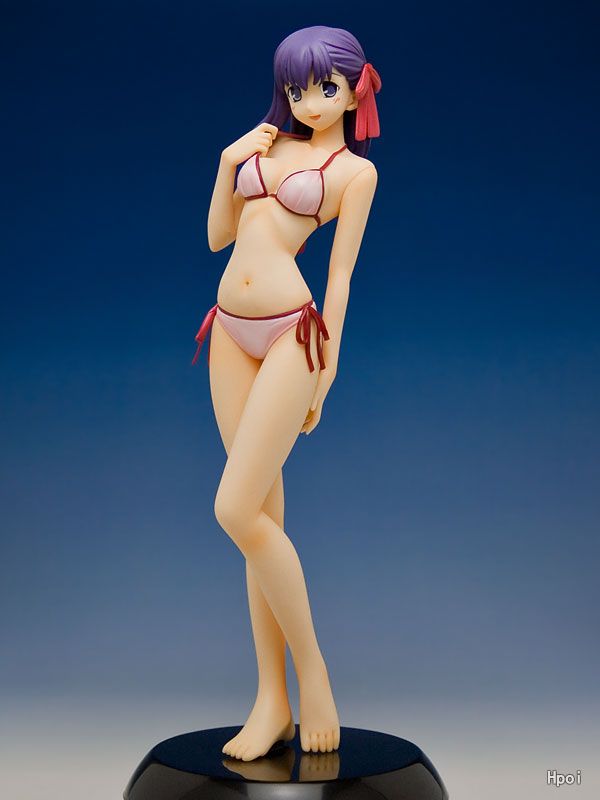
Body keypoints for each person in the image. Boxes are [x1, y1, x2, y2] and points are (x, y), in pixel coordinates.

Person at [192, 25, 381, 761]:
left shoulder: (354, 173)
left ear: (355, 90)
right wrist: (226, 163)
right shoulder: (265, 147)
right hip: (227, 331)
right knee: (257, 520)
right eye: (296, 88)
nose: (309, 101)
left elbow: (341, 275)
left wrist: (326, 371)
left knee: (234, 508)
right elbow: (218, 237)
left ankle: (315, 675)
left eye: (325, 87)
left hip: (291, 336)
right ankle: (271, 700)